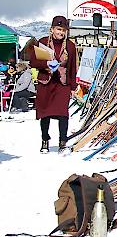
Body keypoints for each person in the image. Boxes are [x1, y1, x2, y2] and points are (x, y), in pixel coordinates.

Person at [27, 16, 78, 153]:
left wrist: (73, 87)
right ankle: (45, 139)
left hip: (62, 84)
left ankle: (63, 142)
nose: (61, 33)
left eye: (63, 30)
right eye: (58, 29)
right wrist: (46, 64)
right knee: (45, 113)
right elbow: (33, 62)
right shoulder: (42, 43)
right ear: (52, 29)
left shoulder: (70, 46)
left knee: (63, 113)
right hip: (46, 83)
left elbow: (73, 67)